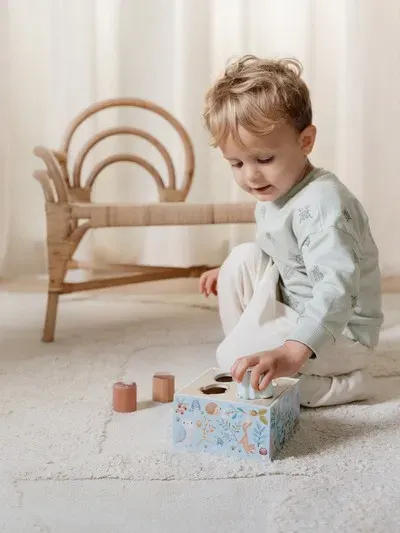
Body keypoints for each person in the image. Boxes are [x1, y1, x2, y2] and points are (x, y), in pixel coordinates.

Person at [199, 55, 383, 407]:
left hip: (340, 330)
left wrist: (291, 352)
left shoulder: (323, 203)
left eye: (264, 159)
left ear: (305, 141)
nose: (250, 176)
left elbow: (336, 289)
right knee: (241, 257)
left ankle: (343, 385)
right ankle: (253, 356)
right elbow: (279, 254)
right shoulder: (275, 191)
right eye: (236, 163)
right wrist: (227, 272)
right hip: (295, 307)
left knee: (232, 361)